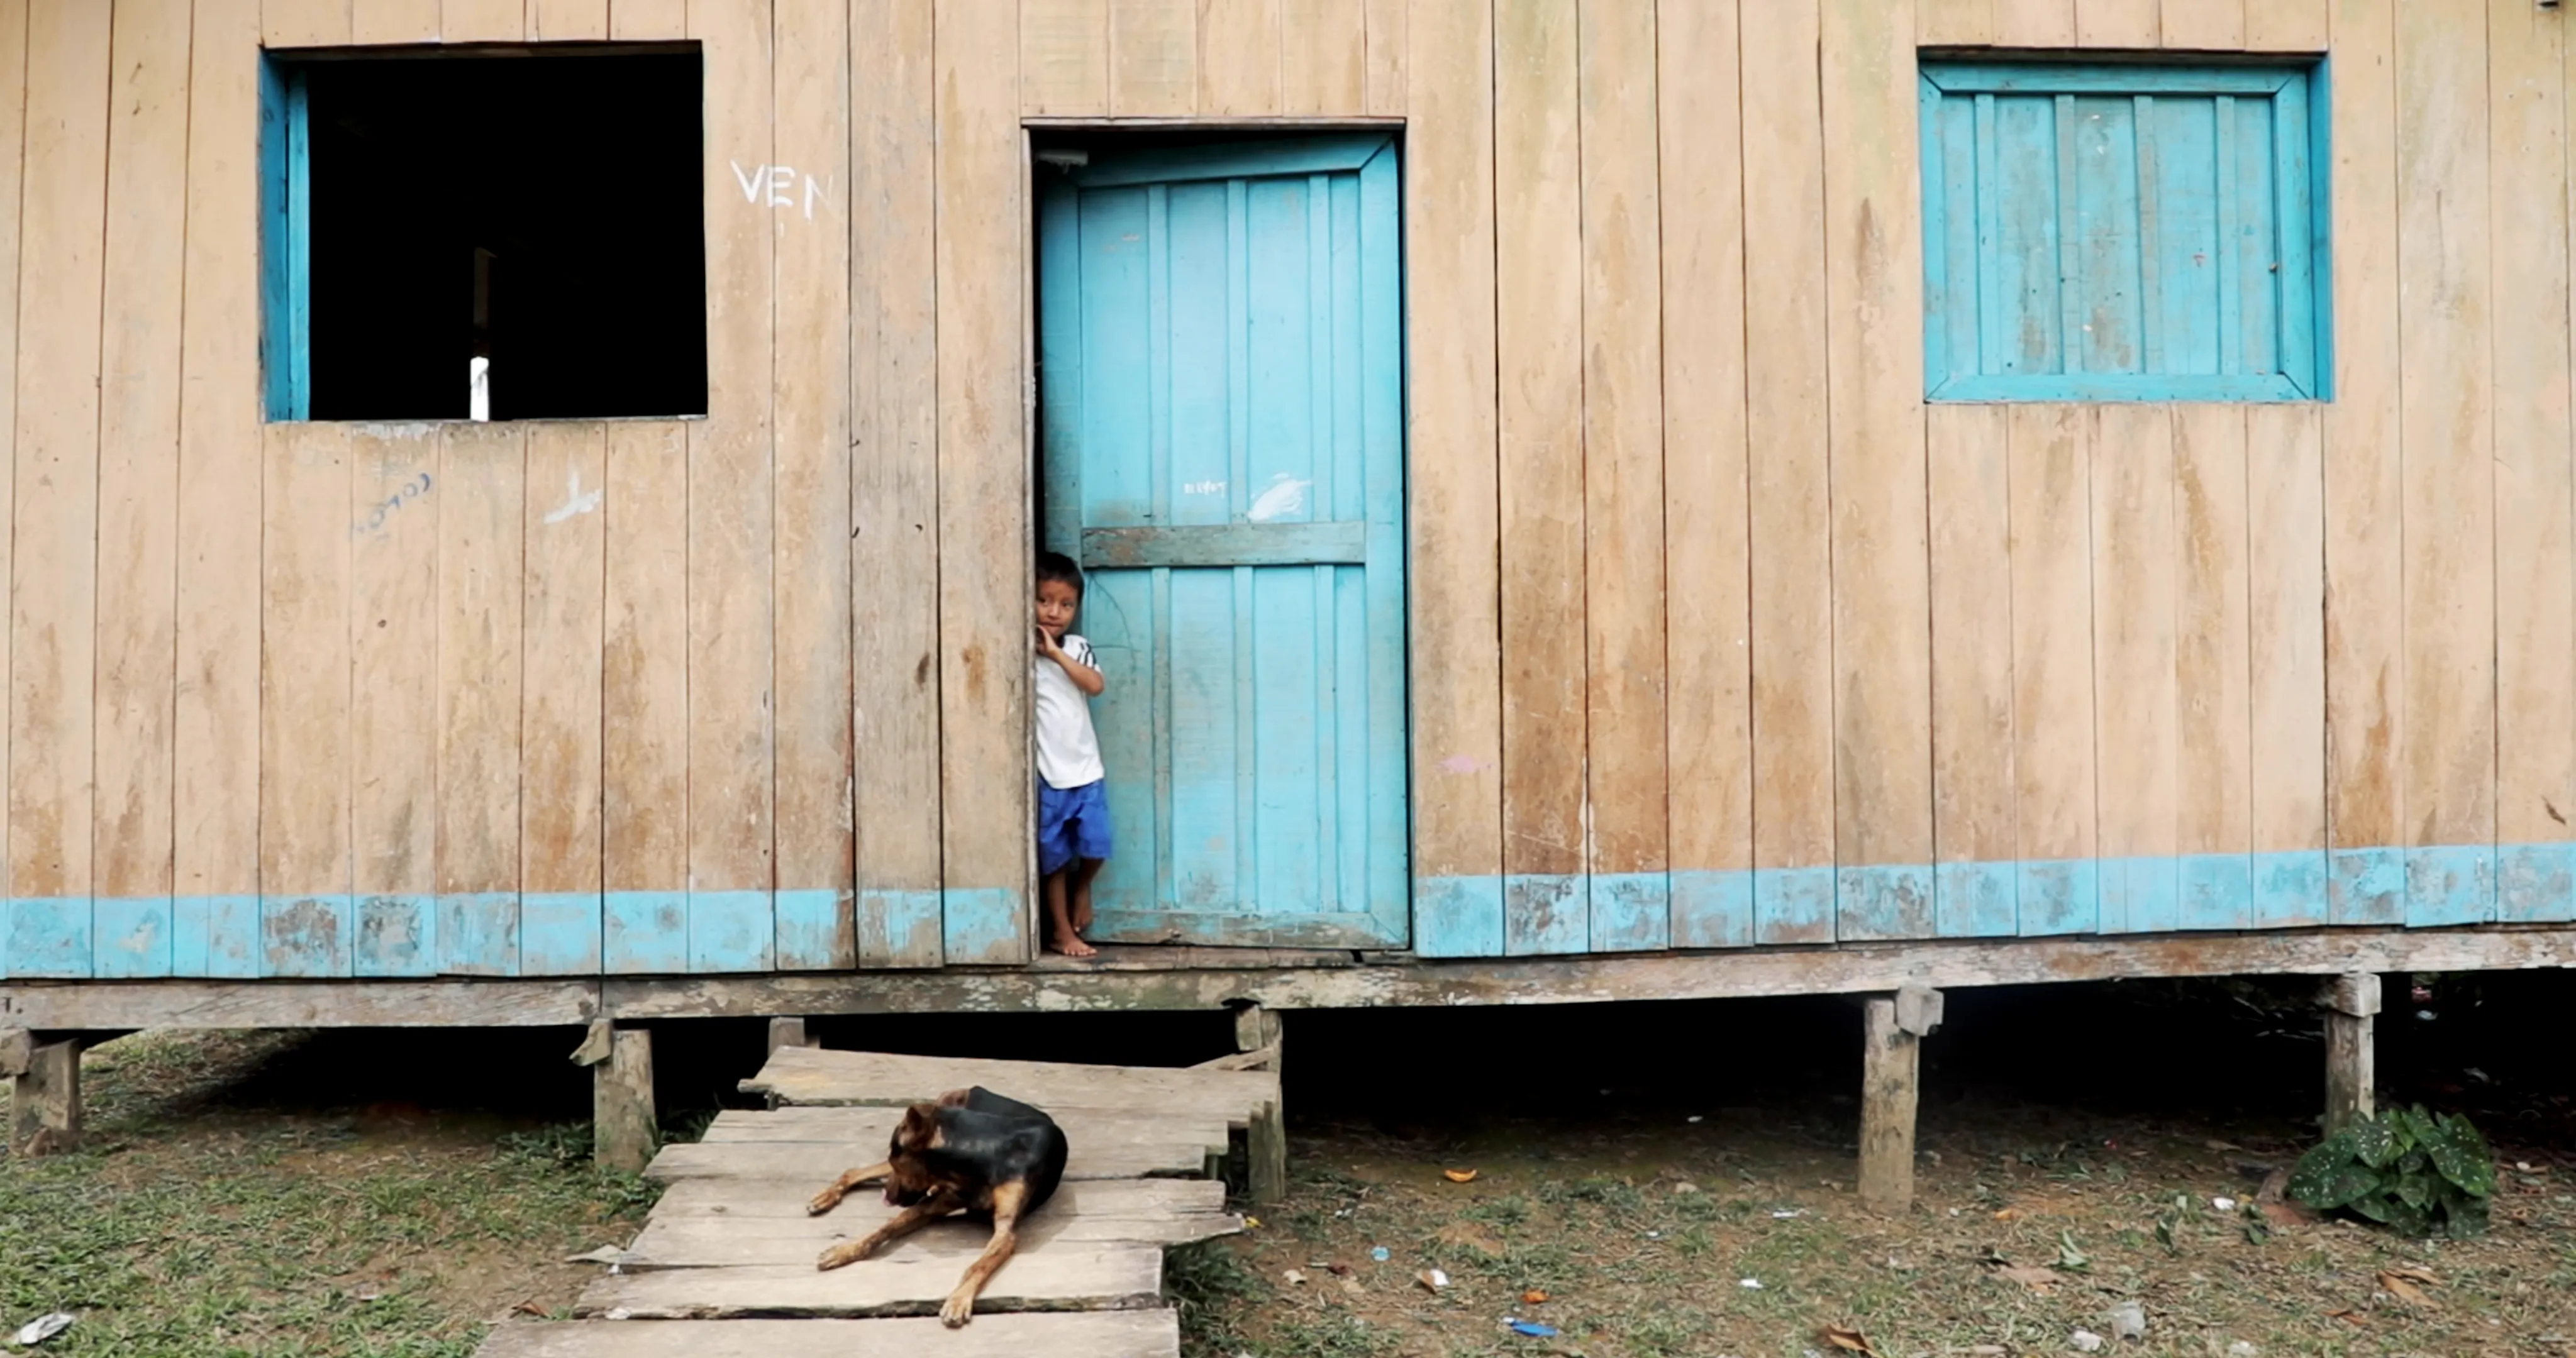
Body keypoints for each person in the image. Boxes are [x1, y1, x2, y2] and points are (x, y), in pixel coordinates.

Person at [1033, 550, 1109, 958]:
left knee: (1096, 847)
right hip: (1050, 776)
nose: (1054, 612)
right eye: (1043, 600)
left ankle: (1085, 888)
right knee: (1055, 860)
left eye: (1066, 604)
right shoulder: (1021, 655)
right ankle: (1062, 933)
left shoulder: (1076, 648)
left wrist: (1056, 654)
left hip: (1086, 769)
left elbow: (1095, 686)